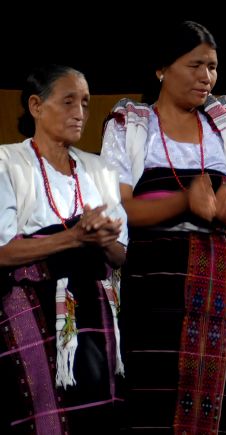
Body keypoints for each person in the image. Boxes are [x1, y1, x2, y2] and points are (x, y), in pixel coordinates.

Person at [100, 21, 226, 434]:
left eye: (212, 67)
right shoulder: (130, 125)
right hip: (154, 283)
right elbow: (119, 209)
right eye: (195, 65)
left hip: (221, 282)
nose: (206, 77)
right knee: (157, 397)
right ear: (162, 69)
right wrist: (183, 202)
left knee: (223, 398)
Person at [0, 64, 128, 434]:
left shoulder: (99, 170)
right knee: (43, 413)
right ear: (36, 106)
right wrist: (73, 237)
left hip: (94, 311)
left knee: (95, 414)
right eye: (68, 101)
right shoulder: (8, 162)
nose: (80, 112)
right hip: (31, 310)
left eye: (85, 103)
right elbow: (3, 252)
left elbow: (121, 255)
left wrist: (104, 238)